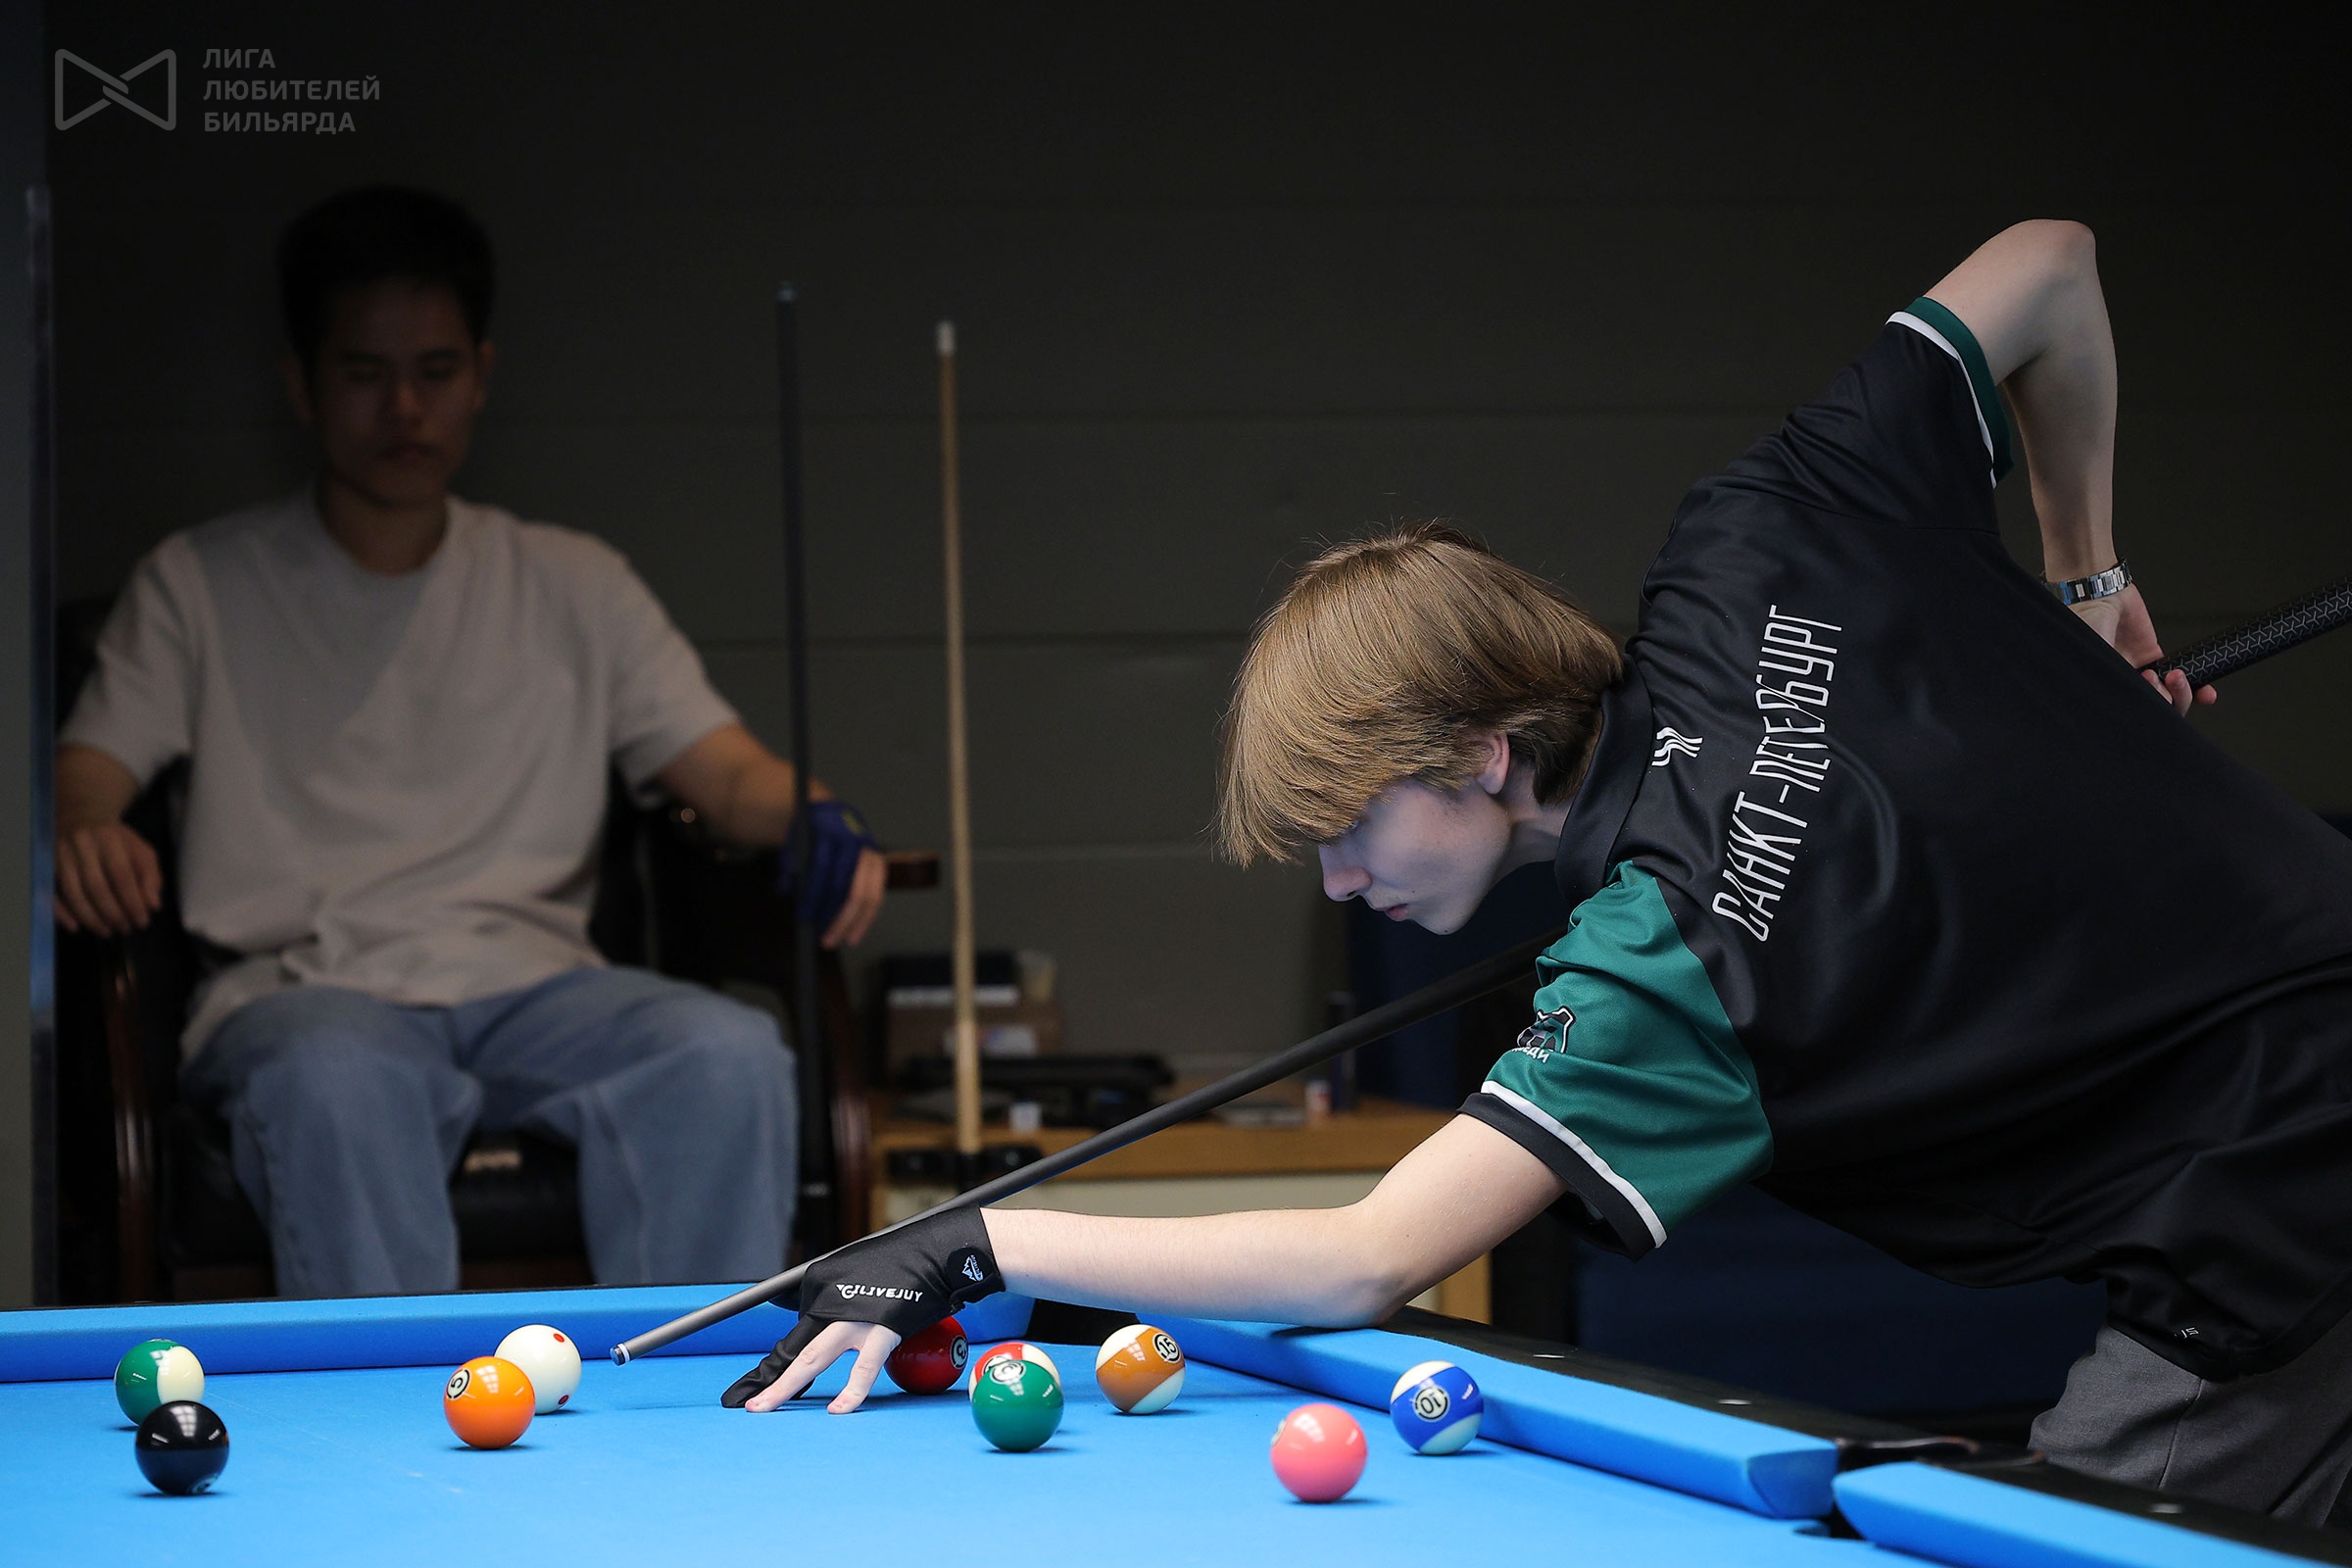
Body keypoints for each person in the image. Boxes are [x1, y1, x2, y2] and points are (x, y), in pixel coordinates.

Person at [716, 220, 2352, 1528]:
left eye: (1348, 827)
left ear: (1485, 752)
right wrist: (2086, 579)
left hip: (2285, 1190)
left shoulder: (1664, 965)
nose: (1339, 886)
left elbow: (1364, 1256)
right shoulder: (1760, 531)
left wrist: (984, 1237)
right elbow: (2051, 264)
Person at [54, 186, 889, 1298]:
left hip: (537, 984)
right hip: (307, 990)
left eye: (436, 371)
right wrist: (84, 823)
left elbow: (727, 771)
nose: (405, 407)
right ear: (302, 384)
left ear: (482, 375)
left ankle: (702, 1389)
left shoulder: (574, 580)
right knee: (334, 1080)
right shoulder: (199, 581)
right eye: (365, 373)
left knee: (725, 1052)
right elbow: (89, 765)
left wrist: (816, 811)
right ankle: (396, 1408)